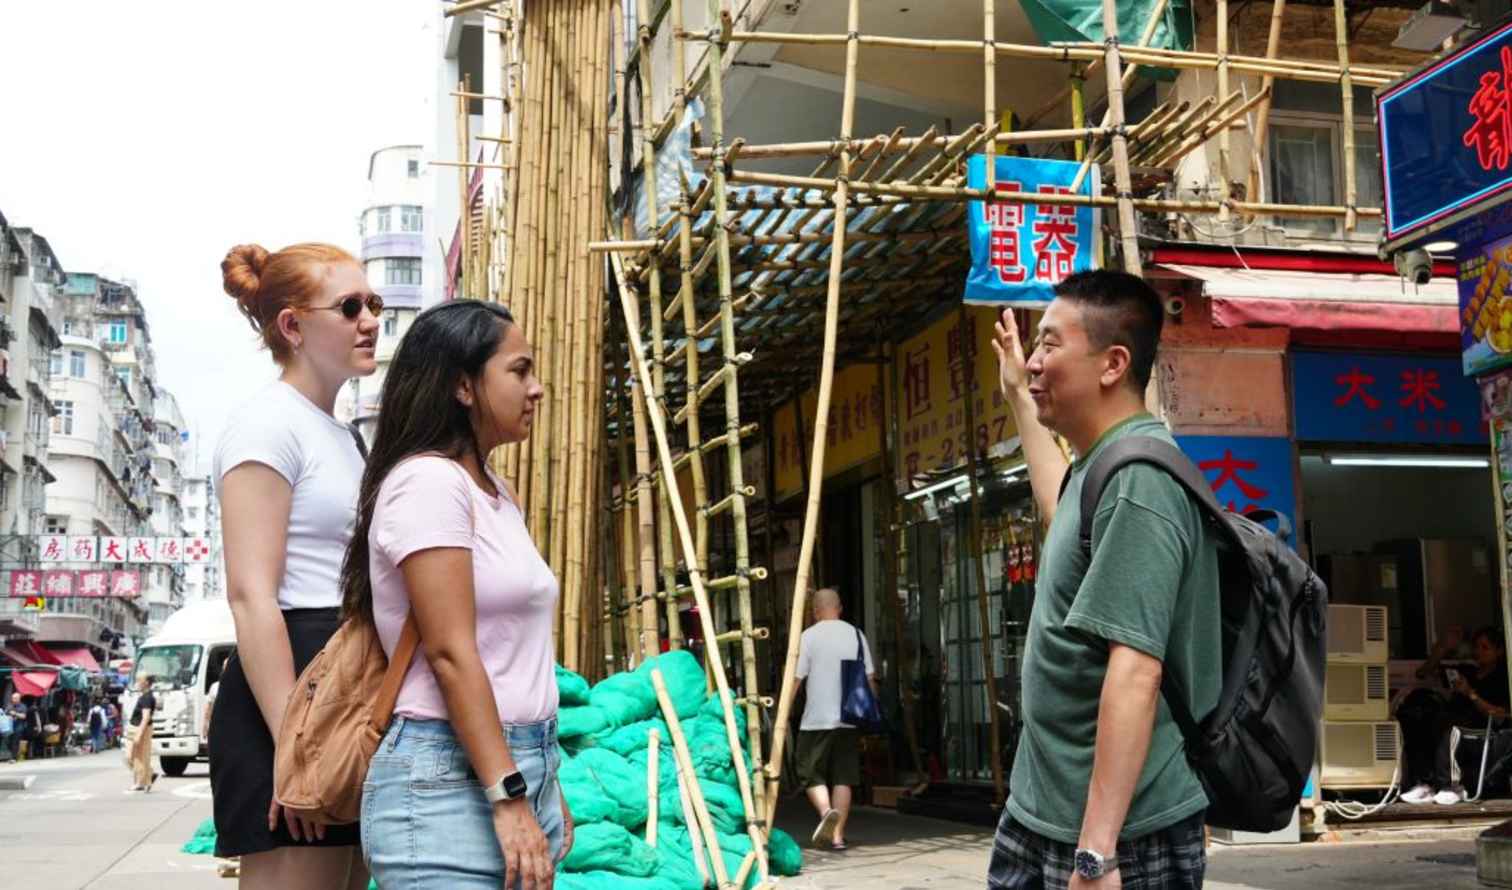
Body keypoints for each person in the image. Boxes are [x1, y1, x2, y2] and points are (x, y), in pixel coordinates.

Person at [986, 270, 1219, 889]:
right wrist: (1017, 395)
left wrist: (1096, 853)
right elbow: (1060, 513)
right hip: (1042, 812)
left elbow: (1136, 670)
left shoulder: (1140, 482)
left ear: (1113, 364)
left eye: (1050, 345)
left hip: (1118, 835)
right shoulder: (1099, 470)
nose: (1034, 361)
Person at [348, 299, 572, 890]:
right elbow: (450, 653)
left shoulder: (496, 491)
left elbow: (512, 654)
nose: (537, 389)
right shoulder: (428, 484)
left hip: (520, 766)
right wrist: (508, 794)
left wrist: (545, 781)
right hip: (446, 780)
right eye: (520, 371)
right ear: (464, 387)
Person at [209, 242, 380, 890]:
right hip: (289, 689)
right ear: (293, 325)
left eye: (375, 305)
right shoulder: (265, 425)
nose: (370, 320)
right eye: (351, 306)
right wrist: (298, 746)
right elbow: (253, 596)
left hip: (346, 685)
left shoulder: (343, 435)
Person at [793, 586, 876, 851]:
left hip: (816, 719)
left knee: (808, 771)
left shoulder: (808, 637)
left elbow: (796, 678)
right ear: (839, 608)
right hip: (848, 717)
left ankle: (826, 811)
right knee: (844, 777)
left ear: (815, 611)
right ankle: (838, 837)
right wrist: (869, 711)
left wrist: (782, 710)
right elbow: (870, 679)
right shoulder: (855, 634)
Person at [1399, 626, 1511, 805]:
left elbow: (1499, 714)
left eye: (1485, 648)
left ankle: (1451, 786)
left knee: (1451, 729)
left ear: (1499, 651)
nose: (1478, 652)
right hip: (1453, 718)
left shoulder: (1503, 677)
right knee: (1417, 717)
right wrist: (1443, 647)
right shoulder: (1468, 671)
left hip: (1482, 728)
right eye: (1476, 647)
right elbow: (1423, 673)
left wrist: (1470, 694)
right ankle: (1425, 783)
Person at [126, 676, 159, 790]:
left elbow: (145, 717)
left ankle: (142, 781)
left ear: (146, 683)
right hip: (135, 728)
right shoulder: (145, 696)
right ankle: (147, 776)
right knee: (133, 757)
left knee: (136, 757)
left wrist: (139, 734)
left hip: (139, 729)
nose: (137, 683)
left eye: (139, 681)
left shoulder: (146, 698)